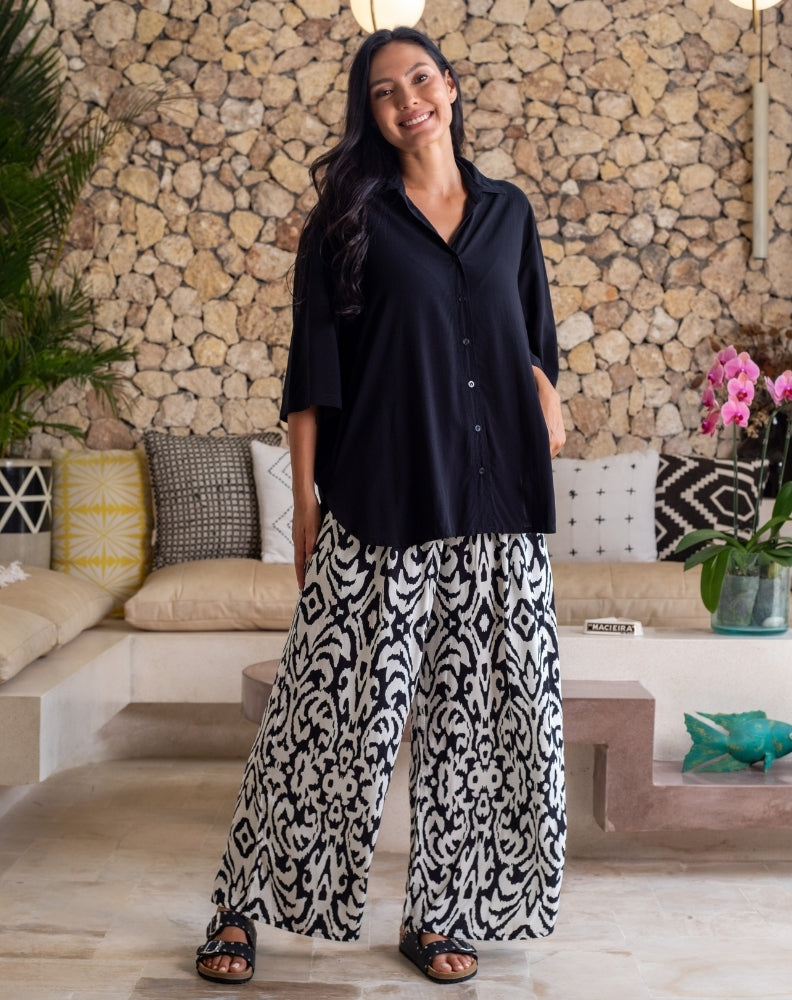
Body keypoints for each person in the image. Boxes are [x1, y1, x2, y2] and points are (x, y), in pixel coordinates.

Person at [195, 26, 566, 987]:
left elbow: (527, 338)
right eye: (386, 91)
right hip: (384, 504)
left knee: (478, 724)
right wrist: (309, 508)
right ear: (373, 114)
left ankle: (438, 915)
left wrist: (544, 385)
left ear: (450, 87)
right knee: (324, 726)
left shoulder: (507, 213)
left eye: (421, 79)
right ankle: (240, 905)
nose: (410, 101)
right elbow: (313, 370)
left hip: (498, 514)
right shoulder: (350, 219)